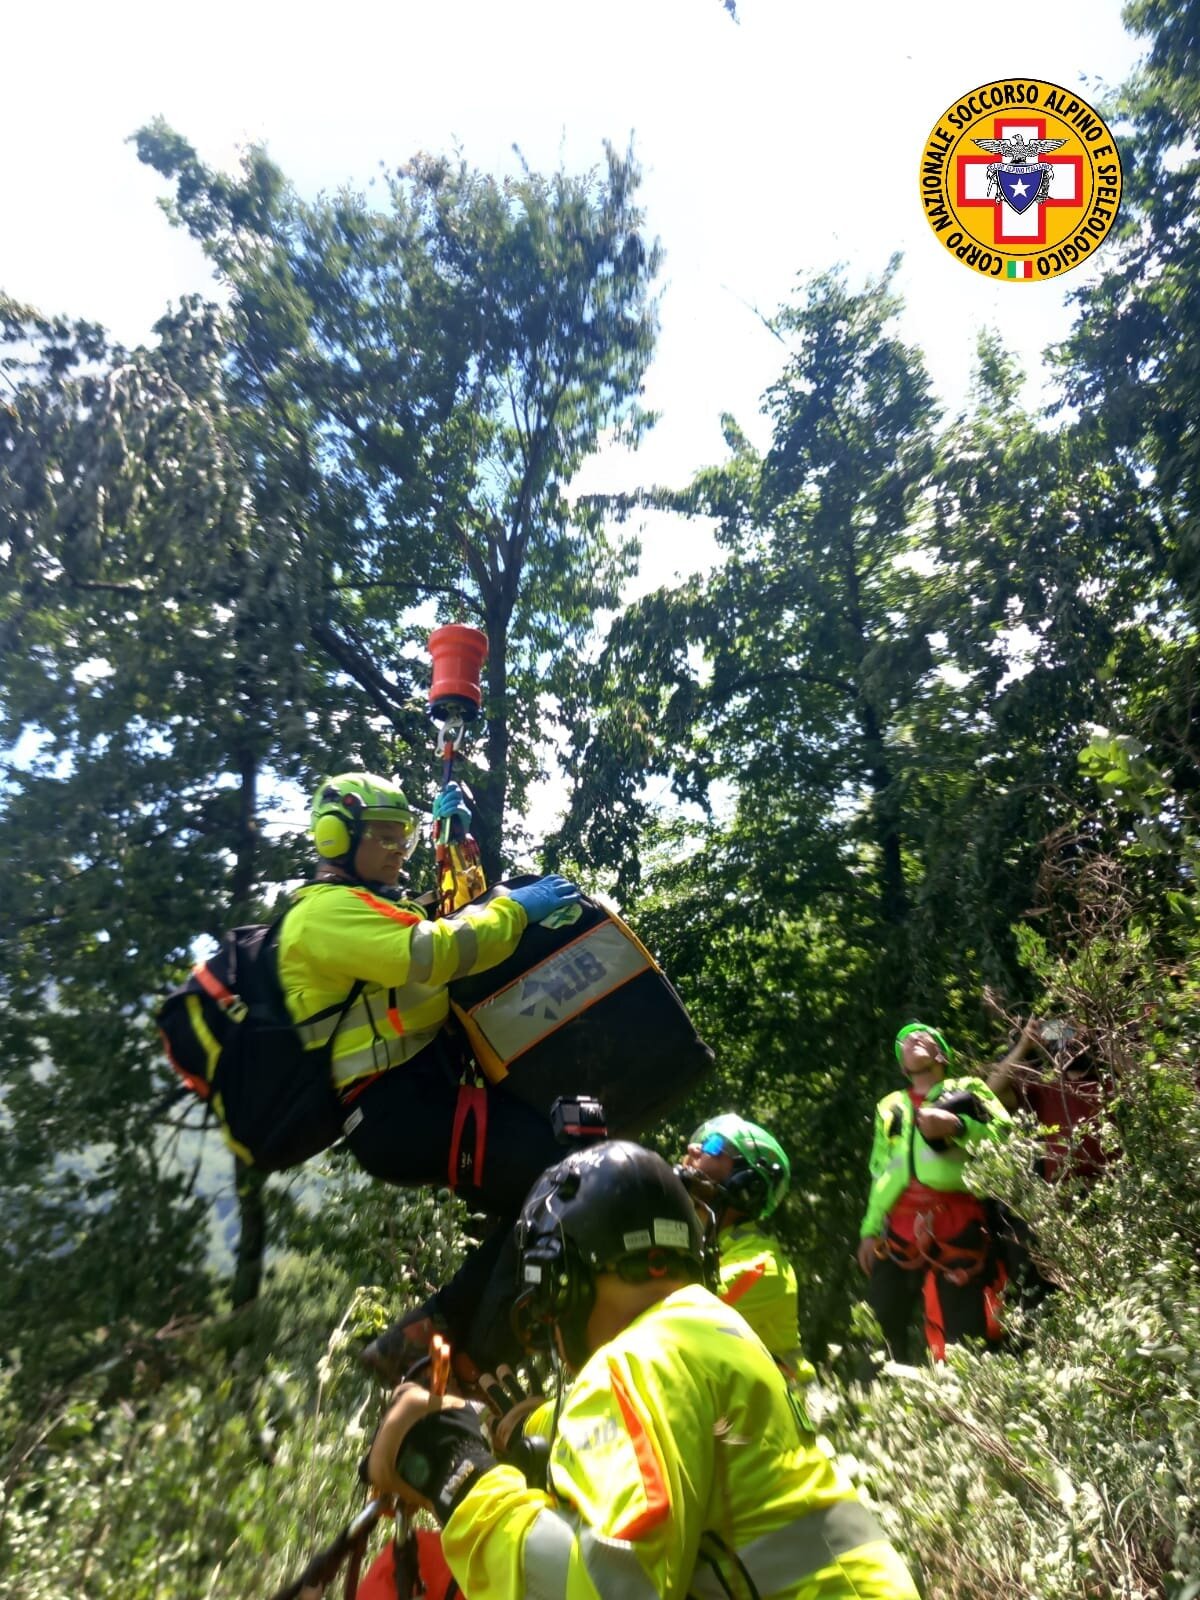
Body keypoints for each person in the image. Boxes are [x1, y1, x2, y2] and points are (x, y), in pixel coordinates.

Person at [364, 1140, 921, 1600]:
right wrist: (530, 1427)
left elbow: (608, 1589)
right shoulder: (712, 1332)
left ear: (561, 1279)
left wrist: (456, 1469)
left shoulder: (632, 1362)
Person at [278, 770, 580, 1377]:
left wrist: (458, 846)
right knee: (567, 1181)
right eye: (384, 837)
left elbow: (457, 919)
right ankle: (474, 1360)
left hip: (420, 1099)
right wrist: (516, 910)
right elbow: (435, 950)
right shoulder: (322, 916)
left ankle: (433, 1336)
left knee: (545, 1192)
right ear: (337, 837)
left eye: (404, 837)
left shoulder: (371, 909)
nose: (398, 850)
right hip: (398, 1109)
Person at [857, 1022, 1012, 1362]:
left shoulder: (968, 1088)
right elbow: (879, 1171)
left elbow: (1005, 1135)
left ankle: (967, 1392)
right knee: (878, 1334)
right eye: (904, 1040)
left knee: (963, 1341)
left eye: (922, 1036)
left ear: (942, 1055)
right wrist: (869, 1230)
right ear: (902, 1066)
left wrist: (957, 1126)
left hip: (957, 1226)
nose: (911, 1037)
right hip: (896, 1234)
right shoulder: (889, 1105)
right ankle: (878, 1393)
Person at [680, 1112, 812, 1381]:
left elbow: (675, 1322)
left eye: (713, 1145)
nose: (692, 1149)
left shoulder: (763, 1267)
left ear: (746, 1183)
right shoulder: (697, 1247)